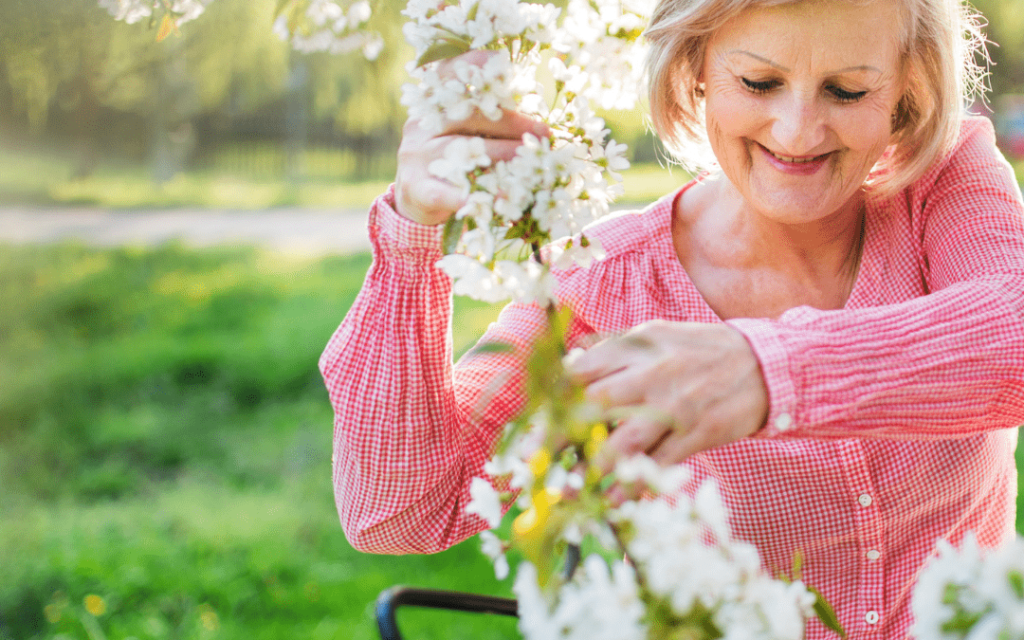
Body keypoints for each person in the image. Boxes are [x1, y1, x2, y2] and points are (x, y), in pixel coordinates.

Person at [320, 0, 1024, 637]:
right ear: (696, 72)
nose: (799, 130)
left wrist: (764, 371)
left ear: (907, 89)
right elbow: (400, 510)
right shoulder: (602, 286)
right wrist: (412, 228)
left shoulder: (943, 187)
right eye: (758, 83)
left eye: (847, 90)